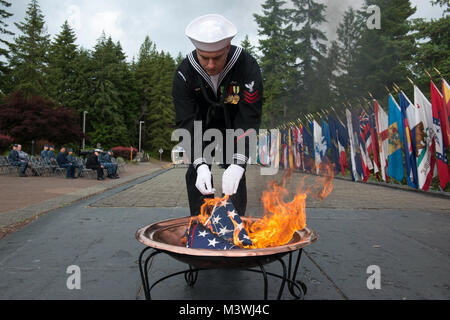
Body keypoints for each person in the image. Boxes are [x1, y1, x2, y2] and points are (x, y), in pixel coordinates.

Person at [173, 14, 263, 216]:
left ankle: (235, 224)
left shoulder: (247, 67)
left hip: (234, 125)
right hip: (201, 126)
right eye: (204, 58)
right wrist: (200, 163)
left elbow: (249, 117)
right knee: (195, 171)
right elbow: (186, 121)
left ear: (228, 47)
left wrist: (239, 163)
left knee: (236, 173)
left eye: (217, 58)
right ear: (196, 50)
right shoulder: (184, 73)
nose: (211, 65)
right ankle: (201, 222)